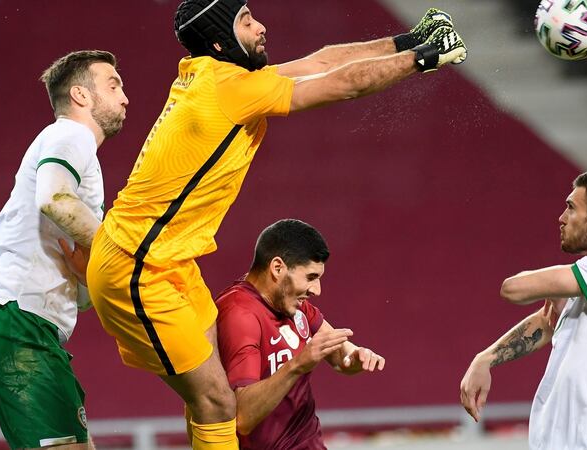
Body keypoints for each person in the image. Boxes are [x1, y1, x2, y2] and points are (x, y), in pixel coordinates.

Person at [85, 1, 465, 449]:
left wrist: (406, 41)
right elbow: (340, 84)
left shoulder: (217, 76)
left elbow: (319, 62)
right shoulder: (230, 89)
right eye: (246, 20)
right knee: (218, 404)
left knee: (212, 397)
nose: (260, 26)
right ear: (221, 39)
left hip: (169, 262)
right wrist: (422, 60)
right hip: (136, 265)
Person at [0, 50, 129, 449]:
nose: (125, 98)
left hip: (16, 326)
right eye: (114, 85)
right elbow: (52, 198)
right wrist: (119, 253)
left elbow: (82, 298)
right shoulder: (70, 133)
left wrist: (92, 270)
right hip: (14, 323)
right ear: (81, 96)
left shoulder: (76, 151)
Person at [459, 171, 587, 450]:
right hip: (570, 439)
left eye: (571, 207)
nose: (562, 218)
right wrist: (485, 359)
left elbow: (513, 288)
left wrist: (552, 287)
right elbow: (548, 322)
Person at [215, 219, 385, 449]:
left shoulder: (292, 304)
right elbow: (243, 417)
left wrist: (355, 357)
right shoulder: (240, 314)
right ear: (277, 268)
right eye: (311, 277)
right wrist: (298, 364)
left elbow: (340, 357)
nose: (317, 290)